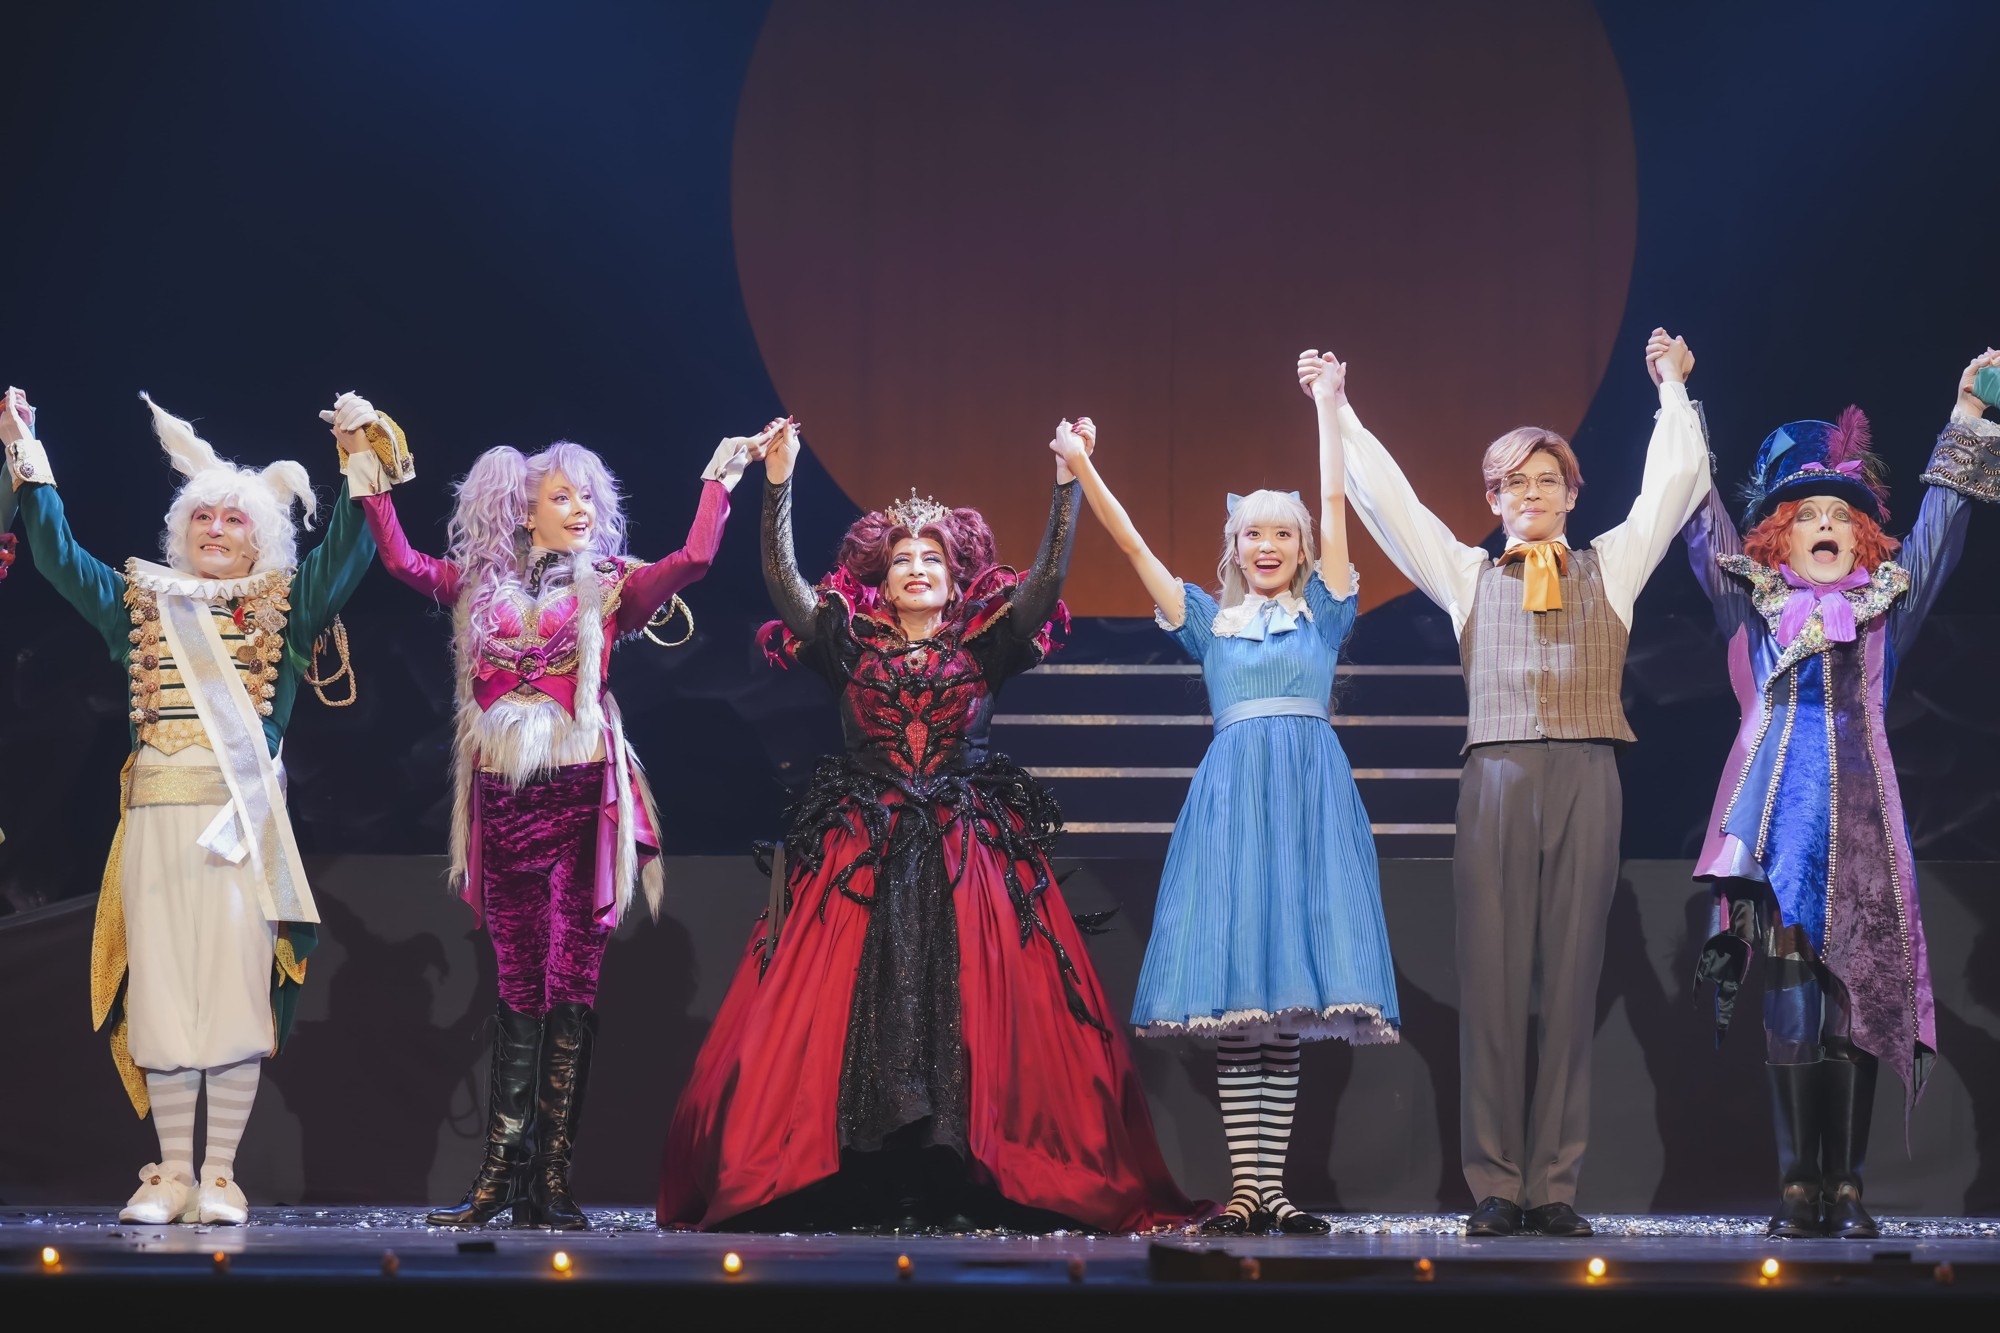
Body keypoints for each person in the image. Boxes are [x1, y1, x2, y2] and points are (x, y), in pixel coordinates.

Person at [658, 419, 1192, 1233]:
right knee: (854, 1012)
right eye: (903, 557)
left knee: (967, 1009)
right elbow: (783, 583)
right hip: (860, 850)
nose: (916, 567)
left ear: (954, 578)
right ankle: (871, 1178)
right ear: (881, 576)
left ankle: (958, 1176)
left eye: (932, 559)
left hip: (967, 849)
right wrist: (779, 483)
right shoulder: (846, 642)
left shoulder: (987, 644)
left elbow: (1046, 582)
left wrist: (1065, 486)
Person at [1299, 330, 1708, 1237]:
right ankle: (1495, 1181)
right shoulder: (1467, 575)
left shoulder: (1613, 565)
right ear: (1492, 499)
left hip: (1589, 770)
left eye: (1547, 481)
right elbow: (1392, 504)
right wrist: (1339, 408)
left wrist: (1672, 389)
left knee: (1573, 978)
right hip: (1495, 776)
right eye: (1514, 483)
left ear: (1571, 495)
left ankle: (1553, 1183)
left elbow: (1673, 485)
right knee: (1490, 981)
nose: (1532, 494)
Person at [342, 391, 776, 1229]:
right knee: (517, 978)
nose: (580, 510)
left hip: (581, 797)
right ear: (524, 508)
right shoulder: (478, 583)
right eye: (562, 496)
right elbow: (399, 561)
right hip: (504, 797)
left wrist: (721, 476)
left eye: (588, 498)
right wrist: (365, 467)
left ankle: (550, 1178)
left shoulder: (610, 585)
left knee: (571, 977)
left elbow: (692, 558)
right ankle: (500, 1174)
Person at [1, 385, 380, 1225]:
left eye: (234, 519)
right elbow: (58, 555)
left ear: (260, 537)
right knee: (163, 992)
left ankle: (219, 1174)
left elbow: (351, 548)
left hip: (240, 828)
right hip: (156, 827)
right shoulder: (141, 604)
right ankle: (170, 1172)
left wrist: (358, 454)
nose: (215, 528)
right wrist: (26, 453)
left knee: (235, 993)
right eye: (202, 516)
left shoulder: (287, 606)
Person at [1050, 383, 1398, 1236]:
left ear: (1302, 548)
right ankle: (1248, 1188)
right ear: (1234, 547)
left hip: (1308, 806)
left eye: (1282, 533)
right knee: (1245, 1002)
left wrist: (1328, 403)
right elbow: (1132, 544)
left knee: (1285, 1009)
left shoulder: (1324, 613)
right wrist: (1082, 467)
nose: (1267, 544)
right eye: (1252, 533)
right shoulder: (1211, 623)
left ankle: (1271, 1189)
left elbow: (1334, 502)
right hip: (1235, 806)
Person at [1686, 348, 2000, 1238]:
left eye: (1839, 515)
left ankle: (1848, 1185)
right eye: (1807, 515)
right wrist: (1677, 400)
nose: (1824, 524)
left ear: (1860, 537)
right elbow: (1701, 524)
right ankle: (1798, 1186)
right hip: (1777, 835)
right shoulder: (1753, 605)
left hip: (1863, 831)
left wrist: (1969, 415)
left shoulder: (1885, 607)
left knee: (1855, 1001)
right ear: (1778, 538)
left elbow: (1939, 526)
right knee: (1793, 1002)